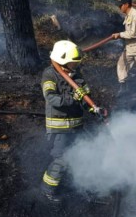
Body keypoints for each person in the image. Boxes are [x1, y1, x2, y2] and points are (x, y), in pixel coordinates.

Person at [40, 40, 104, 204]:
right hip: (59, 127)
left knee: (83, 154)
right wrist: (71, 98)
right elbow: (51, 98)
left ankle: (83, 187)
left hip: (77, 126)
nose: (75, 66)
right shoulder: (49, 75)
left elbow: (85, 98)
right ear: (62, 60)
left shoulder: (77, 75)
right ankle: (48, 191)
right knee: (62, 160)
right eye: (72, 63)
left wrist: (94, 109)